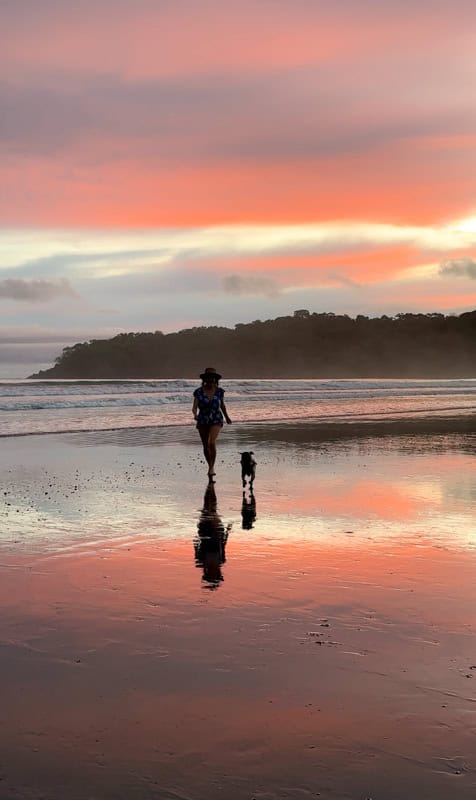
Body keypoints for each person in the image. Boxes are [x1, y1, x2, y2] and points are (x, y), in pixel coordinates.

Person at [192, 367, 232, 479]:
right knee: (205, 445)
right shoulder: (198, 392)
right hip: (203, 419)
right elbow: (194, 407)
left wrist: (227, 417)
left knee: (211, 442)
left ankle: (211, 468)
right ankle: (209, 465)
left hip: (216, 419)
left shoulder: (219, 391)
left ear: (215, 379)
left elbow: (222, 405)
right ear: (205, 379)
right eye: (208, 378)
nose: (210, 380)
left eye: (212, 378)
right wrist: (195, 414)